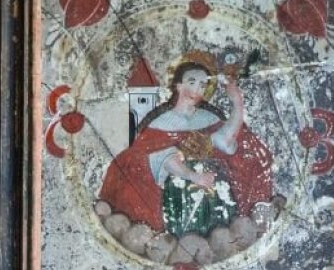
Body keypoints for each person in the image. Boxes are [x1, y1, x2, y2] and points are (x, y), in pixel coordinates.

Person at [99, 54, 273, 239]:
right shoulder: (160, 123)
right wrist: (194, 176)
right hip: (178, 195)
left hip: (216, 192)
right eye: (191, 82)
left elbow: (227, 141)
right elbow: (158, 158)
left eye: (202, 85)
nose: (196, 89)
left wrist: (237, 102)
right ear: (178, 85)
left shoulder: (209, 118)